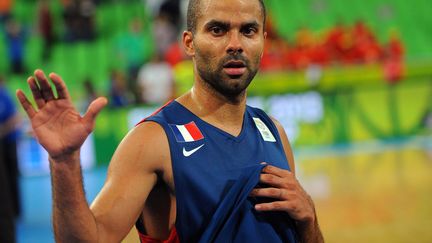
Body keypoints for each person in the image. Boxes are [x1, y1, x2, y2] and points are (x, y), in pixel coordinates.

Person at [16, 0, 324, 242]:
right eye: (217, 30)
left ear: (262, 41)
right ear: (189, 43)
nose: (235, 44)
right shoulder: (153, 141)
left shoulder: (273, 132)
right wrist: (64, 161)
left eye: (248, 30)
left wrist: (309, 219)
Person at [0, 75, 21, 243]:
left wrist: (3, 130)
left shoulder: (4, 95)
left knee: (10, 180)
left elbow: (15, 118)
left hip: (8, 142)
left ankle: (17, 210)